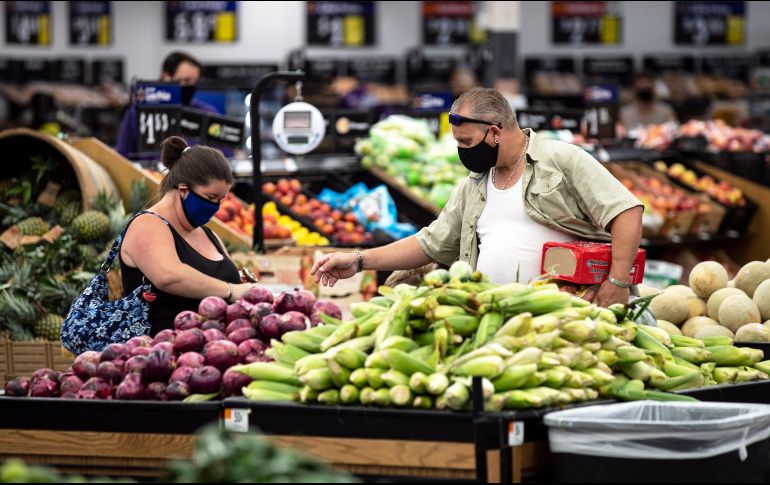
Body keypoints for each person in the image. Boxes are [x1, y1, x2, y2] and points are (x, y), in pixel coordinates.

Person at [312, 87, 643, 307]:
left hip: (567, 315)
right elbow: (429, 243)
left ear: (495, 131)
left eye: (467, 142)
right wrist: (358, 261)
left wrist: (617, 280)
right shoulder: (475, 185)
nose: (462, 152)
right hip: (492, 316)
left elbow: (625, 212)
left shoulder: (562, 160)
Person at [119, 136, 256, 335]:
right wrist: (230, 290)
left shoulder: (208, 234)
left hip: (217, 353)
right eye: (211, 198)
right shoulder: (147, 225)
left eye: (220, 199)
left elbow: (235, 285)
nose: (215, 207)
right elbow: (169, 276)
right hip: (162, 356)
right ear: (183, 190)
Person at [115, 51, 220, 159]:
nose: (190, 86)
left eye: (194, 81)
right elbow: (122, 159)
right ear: (166, 77)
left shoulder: (208, 113)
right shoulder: (136, 114)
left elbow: (224, 158)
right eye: (186, 80)